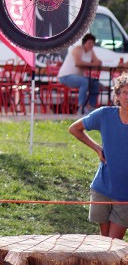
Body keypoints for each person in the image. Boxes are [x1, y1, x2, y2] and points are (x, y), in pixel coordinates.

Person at [69, 72, 128, 240]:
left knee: (113, 244)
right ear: (117, 94)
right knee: (104, 244)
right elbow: (74, 128)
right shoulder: (104, 114)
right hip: (102, 187)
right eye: (125, 92)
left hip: (125, 193)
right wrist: (96, 147)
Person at [58, 33, 102, 115]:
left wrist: (94, 63)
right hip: (65, 76)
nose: (91, 45)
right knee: (84, 82)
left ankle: (91, 107)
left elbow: (98, 62)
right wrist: (93, 64)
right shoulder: (78, 49)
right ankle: (81, 107)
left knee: (95, 83)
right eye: (89, 43)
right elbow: (78, 62)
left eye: (92, 43)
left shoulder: (91, 51)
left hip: (78, 77)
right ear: (84, 43)